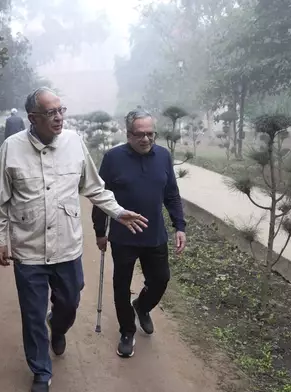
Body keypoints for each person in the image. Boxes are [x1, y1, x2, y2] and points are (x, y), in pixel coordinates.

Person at [0, 87, 149, 392]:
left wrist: (118, 212)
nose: (59, 117)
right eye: (51, 112)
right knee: (32, 315)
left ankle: (57, 327)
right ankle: (41, 373)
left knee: (70, 302)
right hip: (29, 249)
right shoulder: (12, 148)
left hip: (67, 246)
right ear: (33, 118)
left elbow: (94, 187)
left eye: (61, 110)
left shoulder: (74, 143)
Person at [91, 108, 187, 358]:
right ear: (128, 134)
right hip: (124, 236)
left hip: (154, 234)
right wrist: (100, 231)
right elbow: (101, 198)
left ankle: (142, 306)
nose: (145, 139)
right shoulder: (113, 158)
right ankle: (127, 331)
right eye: (139, 134)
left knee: (161, 279)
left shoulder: (163, 156)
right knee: (121, 285)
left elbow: (172, 194)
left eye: (150, 134)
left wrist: (180, 226)